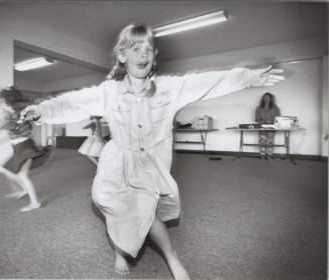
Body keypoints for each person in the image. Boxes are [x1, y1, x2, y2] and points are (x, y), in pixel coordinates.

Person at [21, 24, 284, 279]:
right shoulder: (109, 91)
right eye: (135, 49)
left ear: (154, 56)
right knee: (115, 207)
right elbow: (74, 102)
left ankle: (172, 257)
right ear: (122, 56)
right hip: (116, 163)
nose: (143, 55)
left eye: (148, 50)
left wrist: (250, 77)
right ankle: (121, 252)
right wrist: (42, 111)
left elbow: (209, 82)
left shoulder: (170, 88)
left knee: (147, 212)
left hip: (151, 163)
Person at [0, 87, 53, 212]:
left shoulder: (17, 115)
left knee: (22, 175)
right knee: (7, 170)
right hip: (20, 147)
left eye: (3, 102)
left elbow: (14, 125)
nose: (1, 104)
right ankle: (25, 190)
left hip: (24, 147)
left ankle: (35, 203)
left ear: (9, 102)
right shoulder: (13, 115)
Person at [255, 92, 281, 159]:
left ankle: (269, 155)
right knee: (262, 140)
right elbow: (256, 118)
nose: (266, 98)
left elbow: (278, 118)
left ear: (270, 99)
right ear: (263, 99)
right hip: (262, 127)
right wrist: (262, 121)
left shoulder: (275, 108)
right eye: (265, 97)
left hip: (272, 127)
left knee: (270, 141)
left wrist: (271, 121)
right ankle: (262, 155)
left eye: (268, 97)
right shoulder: (259, 108)